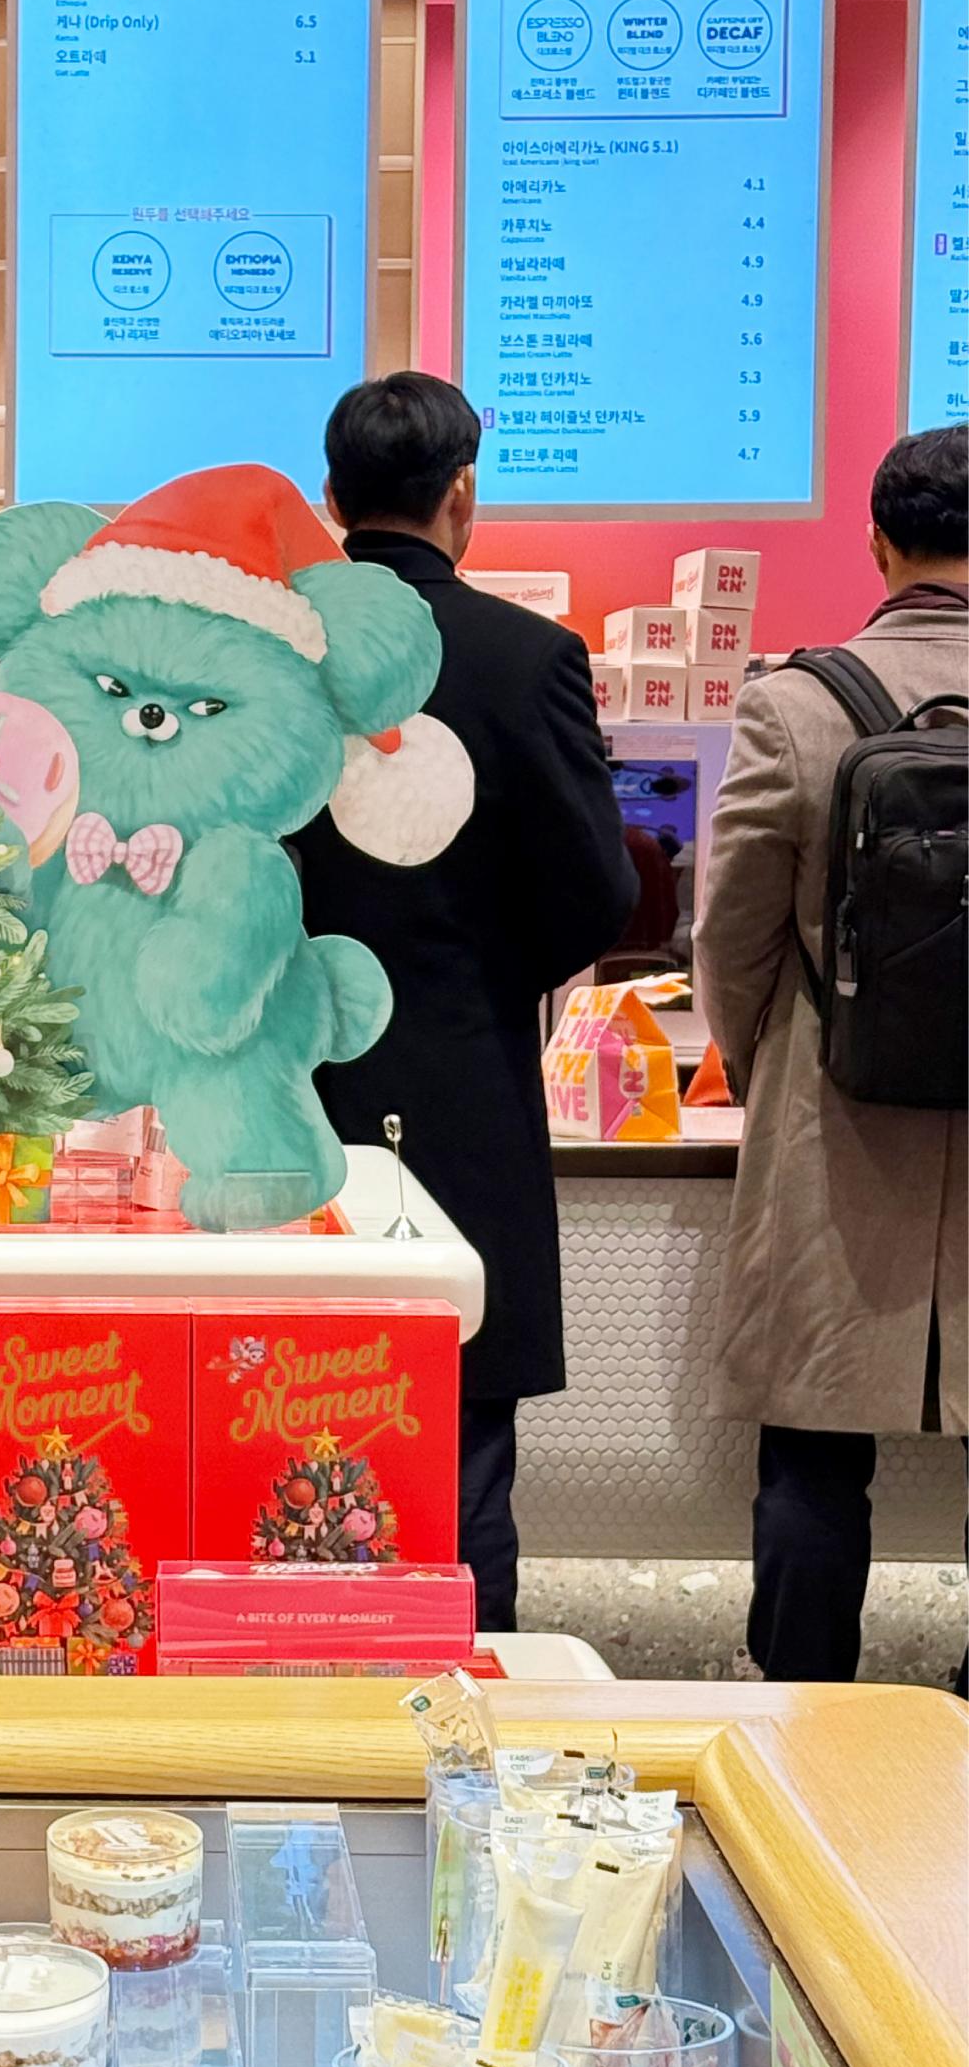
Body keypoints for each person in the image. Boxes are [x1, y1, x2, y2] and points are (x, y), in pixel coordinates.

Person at [295, 372, 639, 1629]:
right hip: (462, 1090)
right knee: (458, 1446)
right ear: (461, 494)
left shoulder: (263, 653)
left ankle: (278, 1690)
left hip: (277, 1100)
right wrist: (487, 970)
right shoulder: (524, 656)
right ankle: (463, 1708)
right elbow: (597, 893)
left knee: (271, 1420)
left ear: (332, 497)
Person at [695, 424, 968, 1684]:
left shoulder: (796, 704)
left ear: (876, 542)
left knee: (812, 1454)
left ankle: (801, 1716)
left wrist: (768, 1065)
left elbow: (731, 939)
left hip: (836, 1128)